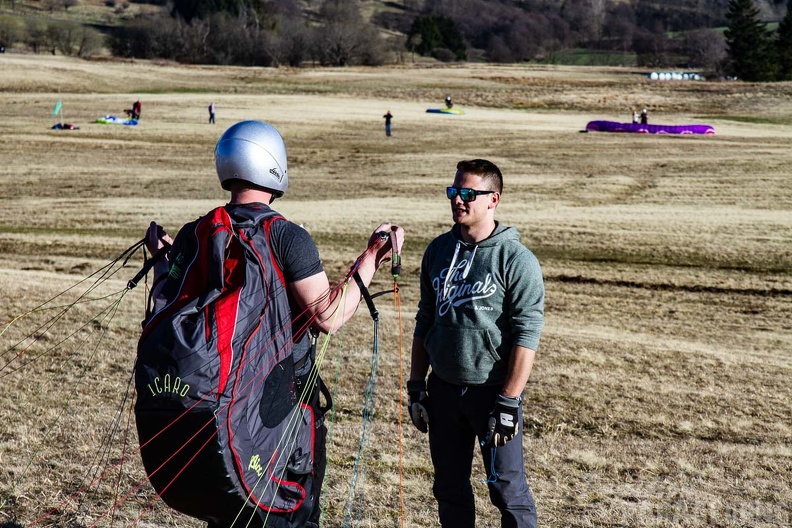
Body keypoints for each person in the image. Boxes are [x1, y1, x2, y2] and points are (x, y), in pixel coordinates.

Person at [143, 120, 404, 528]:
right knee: (285, 514)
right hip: (275, 412)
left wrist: (161, 258)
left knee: (230, 511)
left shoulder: (197, 232)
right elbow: (328, 316)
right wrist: (370, 258)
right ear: (273, 165)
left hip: (217, 410)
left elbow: (167, 300)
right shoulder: (286, 236)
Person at [407, 159, 544, 528]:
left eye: (469, 193)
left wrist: (509, 401)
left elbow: (527, 334)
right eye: (454, 192)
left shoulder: (516, 260)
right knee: (449, 488)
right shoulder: (437, 251)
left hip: (492, 395)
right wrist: (417, 387)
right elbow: (424, 319)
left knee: (507, 490)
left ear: (493, 199)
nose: (458, 200)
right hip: (444, 391)